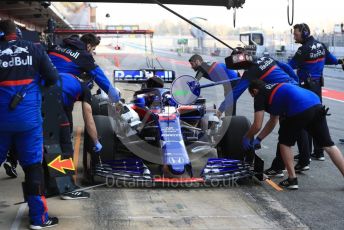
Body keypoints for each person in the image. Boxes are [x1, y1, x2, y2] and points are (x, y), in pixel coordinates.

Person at [0, 19, 58, 229]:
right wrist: (36, 90)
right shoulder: (34, 49)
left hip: (1, 121)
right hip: (28, 121)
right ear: (17, 32)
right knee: (34, 168)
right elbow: (52, 78)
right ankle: (39, 219)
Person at [216, 51, 311, 176]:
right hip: (294, 88)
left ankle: (279, 168)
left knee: (284, 133)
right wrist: (295, 81)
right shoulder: (265, 58)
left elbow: (236, 92)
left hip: (284, 95)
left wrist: (220, 109)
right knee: (299, 126)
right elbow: (286, 67)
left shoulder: (250, 72)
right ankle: (304, 161)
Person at [245, 80, 344, 189]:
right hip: (316, 104)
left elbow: (257, 125)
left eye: (252, 95)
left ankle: (292, 179)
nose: (253, 98)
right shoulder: (274, 87)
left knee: (284, 143)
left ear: (254, 91)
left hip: (299, 108)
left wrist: (247, 137)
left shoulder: (259, 95)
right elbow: (273, 120)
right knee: (329, 145)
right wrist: (259, 138)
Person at [288, 23, 344, 161]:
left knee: (305, 119)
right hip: (317, 86)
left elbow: (290, 66)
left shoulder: (304, 49)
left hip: (306, 87)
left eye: (296, 34)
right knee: (317, 116)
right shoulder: (321, 45)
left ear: (305, 33)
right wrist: (340, 61)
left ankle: (304, 156)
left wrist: (273, 66)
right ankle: (319, 152)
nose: (294, 36)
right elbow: (332, 60)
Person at [48, 33, 121, 125]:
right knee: (66, 125)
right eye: (93, 49)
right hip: (60, 92)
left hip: (38, 89)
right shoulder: (84, 56)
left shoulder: (56, 47)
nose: (92, 53)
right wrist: (116, 98)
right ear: (89, 46)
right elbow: (101, 79)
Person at [57, 72, 102, 200]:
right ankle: (67, 189)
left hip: (36, 103)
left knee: (50, 146)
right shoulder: (84, 88)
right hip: (53, 106)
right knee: (65, 147)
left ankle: (53, 184)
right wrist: (95, 140)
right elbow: (89, 118)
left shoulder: (66, 76)